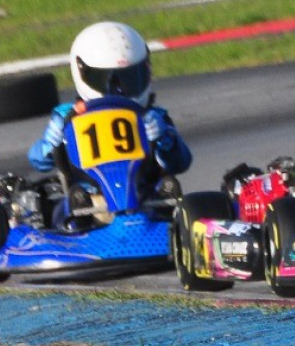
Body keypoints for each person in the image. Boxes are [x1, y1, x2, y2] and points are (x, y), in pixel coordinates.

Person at [28, 22, 192, 222]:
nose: (119, 90)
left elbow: (181, 162)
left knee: (180, 199)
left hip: (148, 201)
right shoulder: (66, 116)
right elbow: (38, 161)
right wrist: (48, 145)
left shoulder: (154, 116)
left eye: (129, 78)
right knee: (57, 213)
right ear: (82, 72)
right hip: (88, 202)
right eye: (108, 80)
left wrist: (166, 139)